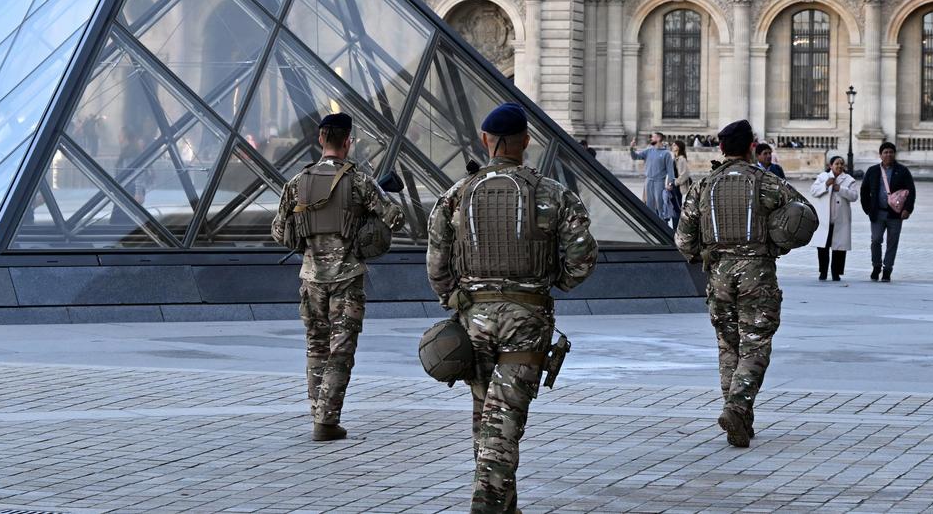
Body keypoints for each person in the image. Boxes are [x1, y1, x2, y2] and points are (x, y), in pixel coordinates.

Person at [427, 103, 598, 512]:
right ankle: (488, 503)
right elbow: (583, 257)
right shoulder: (552, 193)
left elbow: (436, 265)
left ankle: (503, 503)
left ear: (485, 141)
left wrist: (455, 300)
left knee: (486, 413)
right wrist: (554, 282)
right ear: (526, 142)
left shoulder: (455, 196)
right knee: (504, 416)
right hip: (526, 320)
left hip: (474, 321)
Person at [676, 120, 811, 448]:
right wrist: (778, 240)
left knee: (728, 346)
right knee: (755, 344)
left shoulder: (703, 186)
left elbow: (683, 240)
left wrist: (703, 255)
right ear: (751, 146)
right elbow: (804, 215)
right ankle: (737, 409)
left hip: (719, 275)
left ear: (721, 148)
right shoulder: (767, 182)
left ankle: (739, 417)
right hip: (757, 274)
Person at [270, 113, 403, 442]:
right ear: (348, 142)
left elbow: (279, 232)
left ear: (320, 139)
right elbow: (395, 219)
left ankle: (318, 413)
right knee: (340, 351)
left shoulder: (297, 183)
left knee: (316, 347)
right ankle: (326, 420)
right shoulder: (359, 181)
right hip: (347, 278)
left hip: (311, 278)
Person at [859, 142, 917, 282]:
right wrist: (868, 209)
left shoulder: (902, 170)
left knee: (892, 242)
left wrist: (907, 209)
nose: (888, 155)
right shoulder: (873, 170)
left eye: (891, 152)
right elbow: (864, 190)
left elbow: (911, 190)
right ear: (880, 155)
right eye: (885, 152)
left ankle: (887, 269)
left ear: (894, 154)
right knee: (876, 240)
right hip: (877, 213)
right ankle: (876, 266)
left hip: (895, 214)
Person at [809, 156, 858, 282]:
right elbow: (813, 191)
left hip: (840, 220)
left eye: (842, 164)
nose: (839, 166)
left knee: (839, 248)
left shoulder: (849, 179)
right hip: (825, 221)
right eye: (837, 163)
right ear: (830, 165)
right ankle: (823, 272)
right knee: (823, 247)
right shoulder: (823, 177)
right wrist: (826, 185)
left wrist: (840, 189)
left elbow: (854, 196)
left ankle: (836, 273)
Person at [629, 132, 674, 221]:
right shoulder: (648, 151)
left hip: (659, 182)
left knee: (660, 205)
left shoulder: (666, 153)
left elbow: (670, 170)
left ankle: (662, 224)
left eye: (653, 137)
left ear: (659, 138)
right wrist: (631, 148)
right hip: (648, 181)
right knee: (649, 205)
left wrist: (670, 183)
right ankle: (650, 224)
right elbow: (635, 157)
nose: (651, 139)